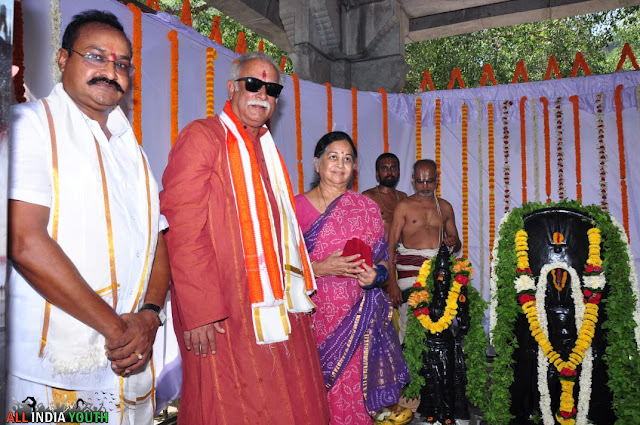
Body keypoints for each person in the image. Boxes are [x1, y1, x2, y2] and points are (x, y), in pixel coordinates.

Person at [7, 10, 169, 424]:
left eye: (122, 64)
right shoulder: (32, 126)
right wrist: (117, 330)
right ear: (63, 59)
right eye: (96, 56)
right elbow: (25, 242)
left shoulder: (130, 149)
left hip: (126, 359)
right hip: (56, 368)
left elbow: (158, 237)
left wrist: (150, 315)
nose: (110, 71)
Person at [160, 52, 329, 425]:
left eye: (271, 89)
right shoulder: (202, 137)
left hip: (274, 303)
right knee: (230, 404)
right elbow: (182, 229)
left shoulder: (265, 149)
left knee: (288, 399)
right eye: (253, 84)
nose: (261, 95)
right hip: (222, 312)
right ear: (233, 87)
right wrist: (200, 313)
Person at [295, 131, 409, 425]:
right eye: (333, 157)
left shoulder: (367, 208)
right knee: (313, 395)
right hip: (311, 319)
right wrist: (320, 267)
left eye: (348, 159)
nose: (340, 164)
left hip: (360, 317)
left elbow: (384, 258)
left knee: (356, 392)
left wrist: (376, 275)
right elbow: (277, 266)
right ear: (317, 164)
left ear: (355, 168)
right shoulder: (293, 209)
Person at [387, 159, 461, 342]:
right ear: (413, 179)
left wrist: (454, 241)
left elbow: (457, 245)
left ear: (437, 179)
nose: (425, 186)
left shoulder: (444, 207)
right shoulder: (404, 206)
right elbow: (389, 247)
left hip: (438, 275)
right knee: (410, 330)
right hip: (409, 276)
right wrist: (392, 284)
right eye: (420, 181)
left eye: (430, 181)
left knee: (441, 327)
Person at [362, 153, 408, 238]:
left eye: (393, 168)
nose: (389, 172)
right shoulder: (368, 197)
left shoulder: (403, 197)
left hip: (401, 250)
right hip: (377, 250)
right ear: (377, 173)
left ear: (399, 172)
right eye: (384, 168)